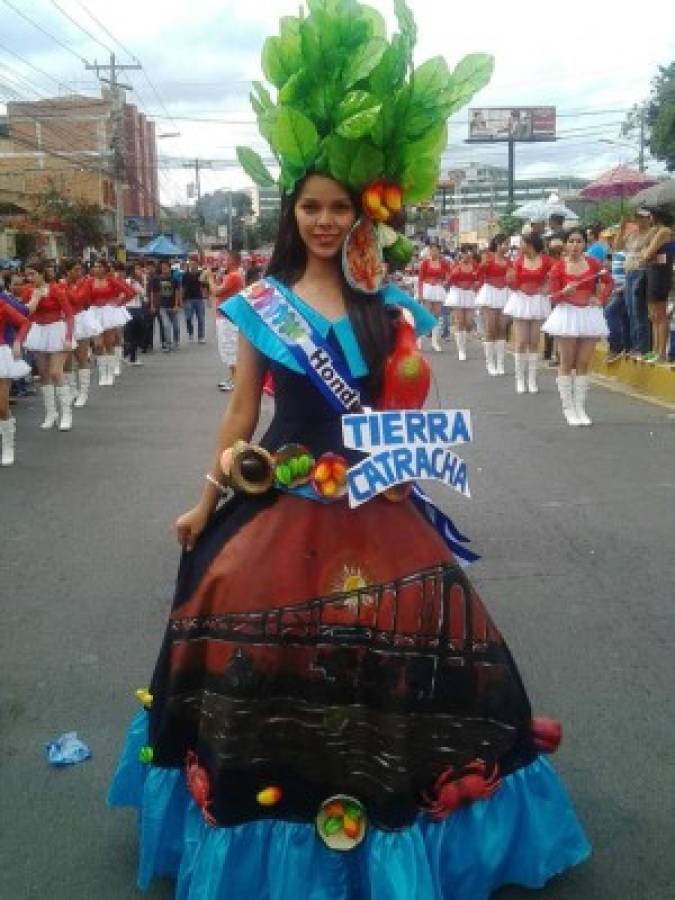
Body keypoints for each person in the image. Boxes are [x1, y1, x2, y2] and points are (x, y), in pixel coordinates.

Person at [108, 6, 589, 897]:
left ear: (361, 210)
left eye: (338, 206)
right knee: (244, 619)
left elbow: (410, 406)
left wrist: (411, 417)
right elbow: (242, 417)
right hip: (280, 496)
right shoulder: (261, 303)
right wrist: (203, 501)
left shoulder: (392, 307)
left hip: (376, 499)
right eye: (310, 206)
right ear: (290, 211)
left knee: (417, 630)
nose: (325, 221)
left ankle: (402, 815)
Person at [543, 227, 613, 426]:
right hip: (567, 315)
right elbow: (553, 298)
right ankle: (568, 408)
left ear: (585, 244)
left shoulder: (593, 264)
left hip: (589, 315)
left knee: (583, 362)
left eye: (579, 241)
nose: (575, 245)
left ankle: (580, 407)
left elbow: (609, 282)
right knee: (567, 362)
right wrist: (564, 291)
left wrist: (600, 298)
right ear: (565, 244)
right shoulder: (557, 267)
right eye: (571, 241)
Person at [23, 262, 75, 430]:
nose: (29, 278)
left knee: (55, 372)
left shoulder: (55, 289)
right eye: (27, 275)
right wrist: (35, 298)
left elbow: (69, 314)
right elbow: (26, 314)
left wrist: (68, 336)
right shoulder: (29, 291)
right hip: (39, 332)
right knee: (44, 375)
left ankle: (66, 414)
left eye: (32, 274)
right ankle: (51, 413)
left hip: (56, 331)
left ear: (40, 273)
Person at [503, 233, 552, 394]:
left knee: (534, 341)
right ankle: (520, 379)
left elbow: (555, 276)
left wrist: (547, 287)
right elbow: (514, 284)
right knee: (522, 341)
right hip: (521, 301)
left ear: (531, 244)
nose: (520, 246)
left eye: (523, 243)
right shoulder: (518, 261)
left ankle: (532, 379)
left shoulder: (545, 260)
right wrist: (511, 280)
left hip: (538, 301)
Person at [62, 261, 100, 407]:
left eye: (80, 270)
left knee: (82, 358)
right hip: (65, 322)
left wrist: (65, 289)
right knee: (67, 361)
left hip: (79, 320)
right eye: (76, 270)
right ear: (67, 272)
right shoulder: (61, 285)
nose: (79, 273)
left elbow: (78, 299)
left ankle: (83, 392)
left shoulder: (85, 283)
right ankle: (73, 390)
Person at [0, 291, 31, 465]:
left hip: (1, 355)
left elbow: (24, 322)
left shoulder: (3, 305)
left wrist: (18, 341)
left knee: (2, 407)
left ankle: (8, 446)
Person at [640, 209, 674, 363]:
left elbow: (646, 255)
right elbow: (643, 253)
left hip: (661, 275)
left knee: (660, 315)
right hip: (653, 272)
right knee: (653, 315)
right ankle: (654, 350)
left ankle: (660, 353)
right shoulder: (656, 232)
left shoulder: (664, 231)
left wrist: (648, 256)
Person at [476, 233, 511, 375]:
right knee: (490, 329)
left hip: (504, 294)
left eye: (508, 244)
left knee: (502, 328)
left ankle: (500, 364)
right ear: (497, 244)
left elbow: (513, 277)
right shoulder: (488, 258)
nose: (507, 247)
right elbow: (478, 274)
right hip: (490, 293)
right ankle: (490, 363)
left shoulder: (510, 261)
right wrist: (483, 265)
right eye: (504, 244)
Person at [212, 250, 245, 391]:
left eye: (227, 259)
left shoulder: (234, 276)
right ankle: (233, 377)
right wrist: (218, 277)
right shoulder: (231, 275)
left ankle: (236, 381)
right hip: (226, 316)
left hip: (228, 318)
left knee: (229, 348)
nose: (224, 261)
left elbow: (216, 291)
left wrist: (209, 278)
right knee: (227, 348)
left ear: (233, 261)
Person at [445, 244, 478, 361]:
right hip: (458, 293)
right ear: (462, 254)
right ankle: (461, 350)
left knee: (468, 322)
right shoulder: (455, 265)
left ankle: (464, 339)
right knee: (460, 322)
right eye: (466, 253)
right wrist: (454, 273)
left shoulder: (475, 265)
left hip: (469, 293)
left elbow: (479, 278)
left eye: (470, 252)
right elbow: (448, 280)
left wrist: (476, 284)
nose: (469, 255)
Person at [417, 242, 449, 351]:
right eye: (432, 250)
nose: (434, 252)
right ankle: (419, 339)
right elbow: (420, 278)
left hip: (438, 289)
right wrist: (420, 293)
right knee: (425, 315)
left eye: (436, 250)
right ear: (429, 251)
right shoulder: (425, 263)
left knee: (437, 315)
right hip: (427, 289)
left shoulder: (443, 263)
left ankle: (435, 341)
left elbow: (449, 274)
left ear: (439, 251)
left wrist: (444, 282)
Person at [150, 260, 182, 351]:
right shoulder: (157, 279)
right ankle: (168, 344)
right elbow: (153, 292)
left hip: (173, 306)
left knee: (176, 326)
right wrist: (152, 304)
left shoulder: (174, 279)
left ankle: (176, 341)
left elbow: (177, 292)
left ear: (169, 268)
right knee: (166, 325)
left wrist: (177, 305)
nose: (164, 269)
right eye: (162, 267)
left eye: (166, 267)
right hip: (162, 306)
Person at [182, 257, 207, 344]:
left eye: (194, 264)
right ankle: (190, 333)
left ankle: (201, 336)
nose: (193, 265)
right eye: (191, 264)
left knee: (201, 318)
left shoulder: (200, 274)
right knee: (188, 318)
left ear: (197, 265)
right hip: (188, 299)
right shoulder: (185, 275)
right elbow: (183, 288)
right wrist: (181, 300)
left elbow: (204, 286)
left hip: (199, 298)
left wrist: (206, 297)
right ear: (189, 265)